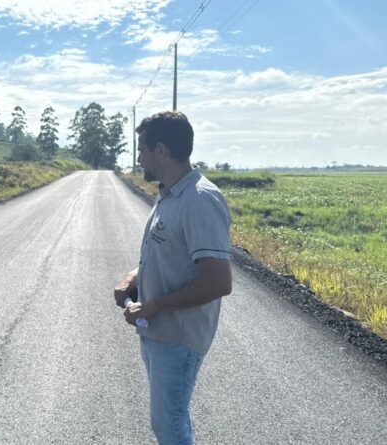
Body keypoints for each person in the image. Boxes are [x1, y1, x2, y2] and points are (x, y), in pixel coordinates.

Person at [114, 111, 232, 445]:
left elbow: (219, 282)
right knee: (167, 424)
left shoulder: (199, 200)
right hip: (158, 332)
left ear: (161, 151)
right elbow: (166, 255)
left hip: (178, 338)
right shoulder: (169, 195)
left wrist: (152, 306)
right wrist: (133, 278)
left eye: (142, 150)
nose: (138, 158)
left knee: (169, 426)